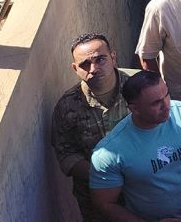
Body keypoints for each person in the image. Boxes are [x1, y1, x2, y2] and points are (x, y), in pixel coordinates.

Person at [89, 70, 181, 222]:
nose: (166, 105)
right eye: (156, 102)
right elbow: (105, 204)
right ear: (134, 108)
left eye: (167, 95)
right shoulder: (109, 152)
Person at [51, 33, 136, 221]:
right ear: (75, 68)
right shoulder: (67, 106)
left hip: (144, 191)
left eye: (100, 59)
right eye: (85, 64)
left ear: (113, 57)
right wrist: (105, 177)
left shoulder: (139, 87)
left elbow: (165, 128)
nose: (94, 68)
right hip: (97, 201)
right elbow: (66, 155)